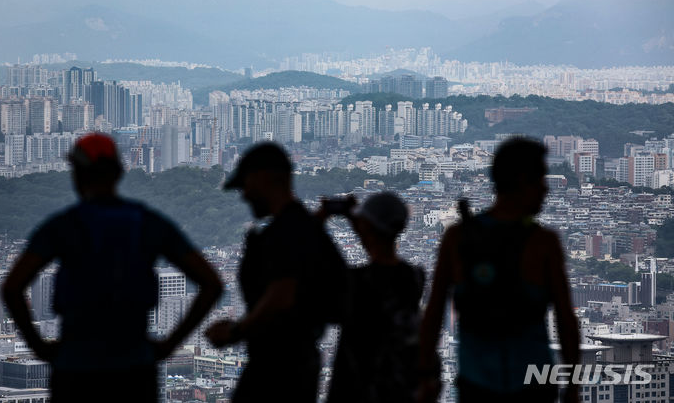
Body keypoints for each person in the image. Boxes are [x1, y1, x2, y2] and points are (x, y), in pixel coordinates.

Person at [2, 133, 222, 403]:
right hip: (134, 367)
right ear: (118, 173)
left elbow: (12, 287)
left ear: (78, 175)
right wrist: (169, 345)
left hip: (77, 366)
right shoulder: (147, 223)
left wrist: (39, 347)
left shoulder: (64, 226)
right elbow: (211, 283)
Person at [418, 138, 580, 403]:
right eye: (539, 179)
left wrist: (425, 376)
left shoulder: (458, 237)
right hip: (533, 384)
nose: (545, 190)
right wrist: (572, 387)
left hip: (476, 383)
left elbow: (433, 313)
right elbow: (565, 321)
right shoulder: (543, 243)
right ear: (520, 181)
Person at [205, 142, 346, 403]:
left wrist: (236, 331)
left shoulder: (287, 231)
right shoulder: (305, 229)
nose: (245, 195)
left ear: (264, 178)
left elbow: (283, 293)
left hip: (278, 367)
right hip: (298, 364)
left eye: (246, 184)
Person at [320, 192, 424, 403]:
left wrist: (321, 219)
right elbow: (378, 251)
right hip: (396, 389)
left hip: (355, 388)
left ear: (366, 228)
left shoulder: (355, 282)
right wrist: (361, 224)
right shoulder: (414, 278)